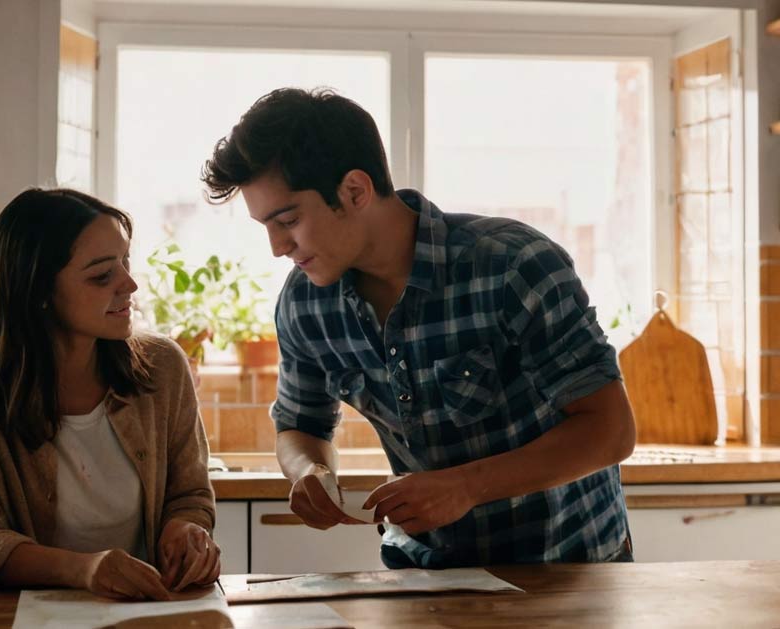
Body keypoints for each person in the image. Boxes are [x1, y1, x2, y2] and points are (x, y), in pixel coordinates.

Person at [201, 87, 637, 568]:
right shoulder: (305, 303)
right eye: (265, 226)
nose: (277, 246)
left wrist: (467, 486)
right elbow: (299, 425)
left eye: (288, 220)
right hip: (426, 575)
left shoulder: (514, 266)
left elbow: (611, 431)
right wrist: (310, 470)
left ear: (354, 191)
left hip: (569, 569)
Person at [0, 188, 219, 599]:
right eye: (102, 275)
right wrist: (84, 570)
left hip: (141, 614)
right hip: (14, 618)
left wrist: (185, 530)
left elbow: (189, 494)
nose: (129, 284)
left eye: (125, 263)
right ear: (38, 290)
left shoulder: (163, 367)